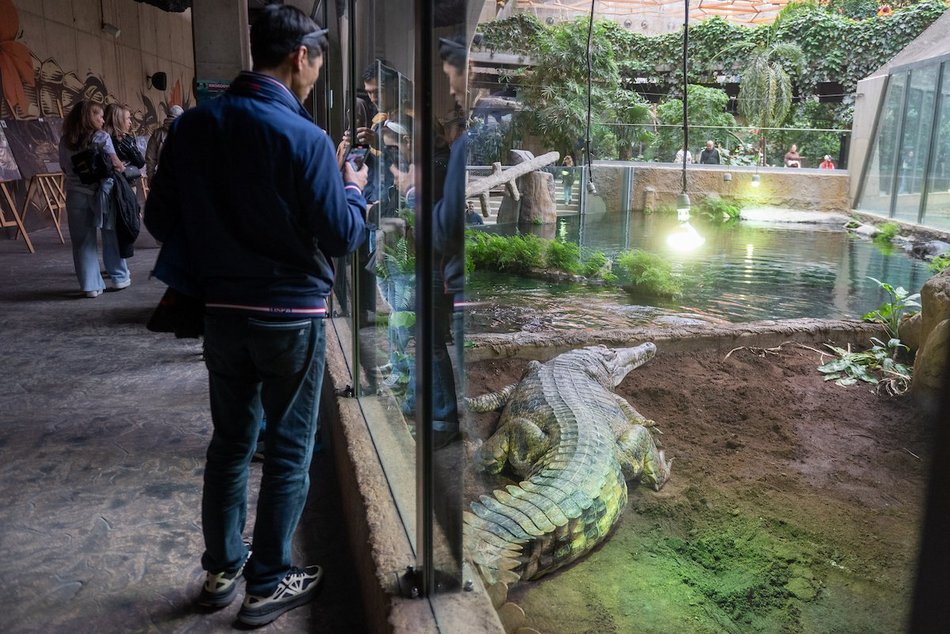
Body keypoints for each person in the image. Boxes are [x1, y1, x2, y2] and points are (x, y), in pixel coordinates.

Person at [144, 5, 367, 627]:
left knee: (231, 443)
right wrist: (353, 187)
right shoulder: (307, 139)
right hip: (290, 318)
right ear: (301, 56)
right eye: (319, 64)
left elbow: (159, 221)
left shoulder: (193, 126)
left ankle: (221, 570)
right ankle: (267, 583)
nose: (317, 77)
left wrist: (221, 232)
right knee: (290, 450)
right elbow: (343, 236)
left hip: (221, 315)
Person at [58, 100, 130, 297]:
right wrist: (123, 167)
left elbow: (64, 167)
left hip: (76, 195)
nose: (102, 118)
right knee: (111, 235)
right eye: (98, 115)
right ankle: (119, 277)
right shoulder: (102, 137)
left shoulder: (65, 140)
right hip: (103, 194)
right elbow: (115, 164)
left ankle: (91, 286)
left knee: (82, 241)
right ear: (89, 118)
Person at [104, 103, 146, 183]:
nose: (130, 122)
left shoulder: (101, 138)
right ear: (119, 120)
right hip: (125, 183)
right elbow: (140, 162)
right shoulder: (125, 140)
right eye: (128, 118)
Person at [145, 104, 184, 181]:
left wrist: (151, 178)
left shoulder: (157, 134)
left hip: (165, 177)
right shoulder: (187, 133)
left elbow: (150, 159)